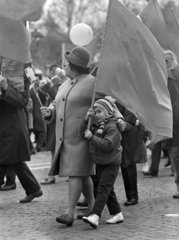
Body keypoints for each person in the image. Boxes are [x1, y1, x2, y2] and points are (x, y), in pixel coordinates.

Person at [40, 46, 95, 226]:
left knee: (75, 174)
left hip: (81, 136)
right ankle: (93, 206)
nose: (64, 64)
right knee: (82, 174)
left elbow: (105, 103)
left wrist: (93, 116)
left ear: (75, 65)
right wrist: (50, 111)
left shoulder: (93, 83)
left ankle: (69, 213)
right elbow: (59, 104)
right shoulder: (65, 83)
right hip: (65, 137)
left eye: (67, 62)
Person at [0, 59, 43, 203]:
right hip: (4, 125)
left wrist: (6, 87)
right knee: (16, 160)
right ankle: (33, 189)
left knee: (3, 159)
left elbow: (23, 101)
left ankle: (33, 189)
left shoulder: (23, 74)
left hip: (13, 125)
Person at [81, 97, 124, 228]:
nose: (96, 114)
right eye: (95, 112)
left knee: (102, 189)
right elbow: (83, 131)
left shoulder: (112, 127)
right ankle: (117, 214)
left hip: (111, 163)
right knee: (107, 189)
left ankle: (95, 215)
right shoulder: (96, 125)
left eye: (99, 111)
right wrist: (86, 119)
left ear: (108, 112)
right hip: (100, 162)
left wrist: (92, 138)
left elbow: (108, 145)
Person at [40, 68, 66, 185]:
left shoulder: (64, 85)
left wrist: (51, 88)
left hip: (58, 122)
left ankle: (51, 176)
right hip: (51, 121)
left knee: (56, 149)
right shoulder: (54, 83)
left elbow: (59, 100)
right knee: (53, 149)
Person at [163, 50, 179, 198]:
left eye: (166, 61)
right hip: (172, 122)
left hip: (175, 120)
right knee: (174, 156)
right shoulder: (163, 77)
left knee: (175, 156)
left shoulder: (173, 75)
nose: (165, 64)